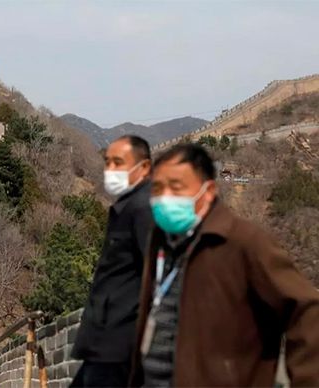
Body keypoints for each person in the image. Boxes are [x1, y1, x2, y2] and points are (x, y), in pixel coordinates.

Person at [131, 143, 319, 387]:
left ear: (208, 190)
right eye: (157, 188)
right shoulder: (161, 241)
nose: (165, 198)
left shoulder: (243, 242)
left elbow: (307, 311)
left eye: (177, 188)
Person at [71, 135, 153, 388]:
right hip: (104, 342)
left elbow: (159, 273)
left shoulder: (145, 209)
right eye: (108, 162)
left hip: (121, 343)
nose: (111, 170)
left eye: (119, 162)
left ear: (145, 167)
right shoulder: (127, 206)